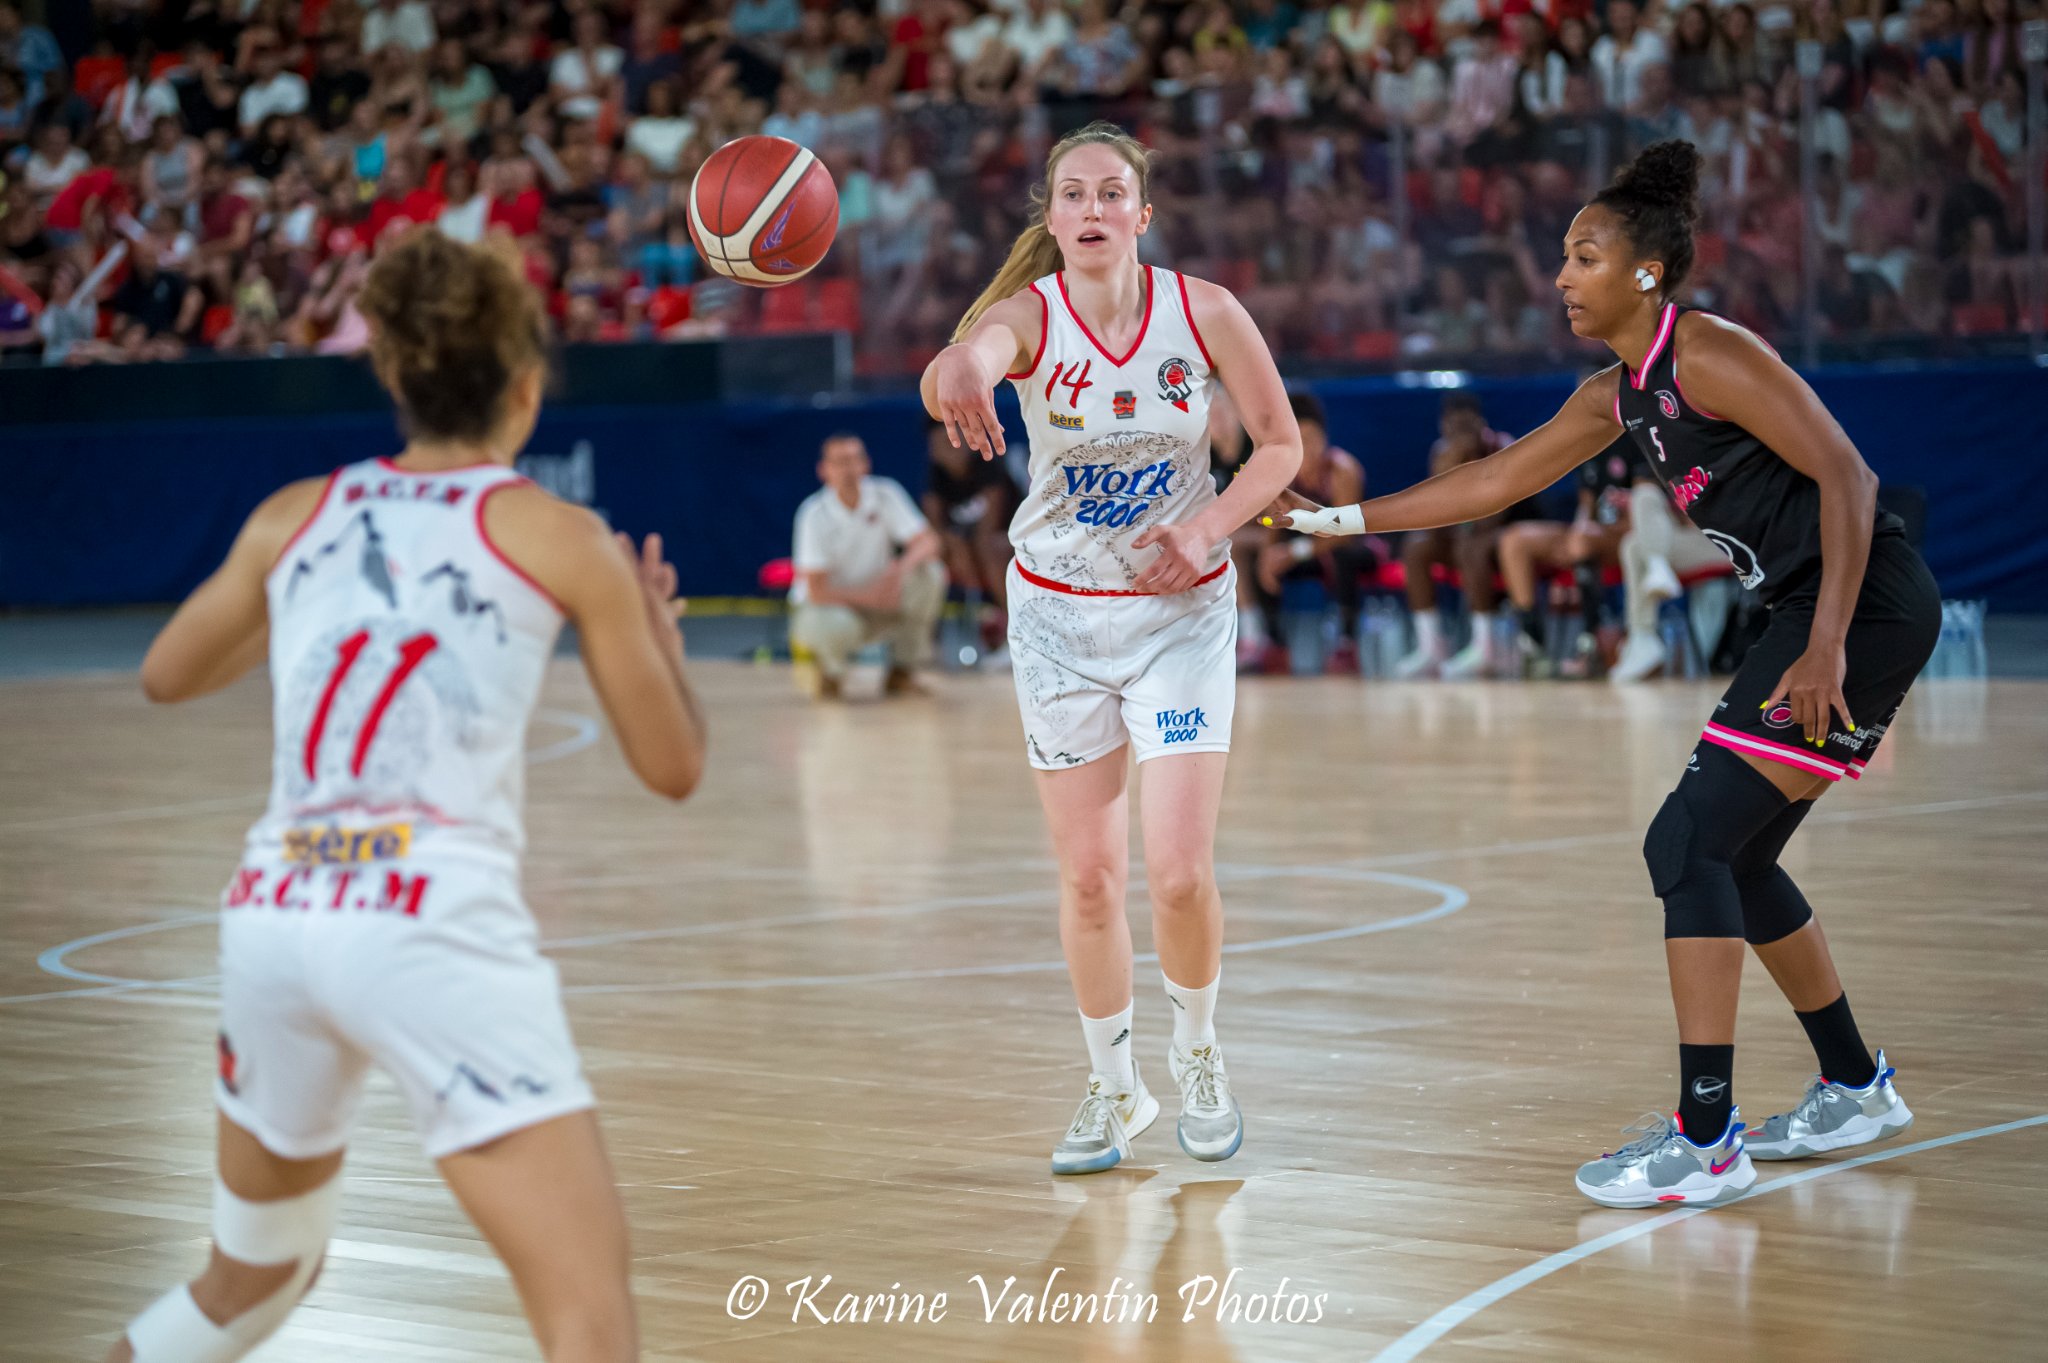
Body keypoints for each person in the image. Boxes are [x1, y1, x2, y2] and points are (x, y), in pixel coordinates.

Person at [1267, 140, 1936, 1208]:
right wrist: (1334, 520)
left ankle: (1706, 1136)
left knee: (1684, 842)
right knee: (1737, 858)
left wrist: (1825, 645)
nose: (1559, 276)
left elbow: (1848, 477)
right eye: (1561, 257)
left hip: (1854, 609)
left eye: (1582, 255)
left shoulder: (1706, 352)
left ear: (1643, 273)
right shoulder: (1618, 393)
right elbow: (1491, 480)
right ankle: (1854, 1085)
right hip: (1812, 611)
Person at [115, 230, 707, 1362]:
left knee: (251, 1277)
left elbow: (165, 673)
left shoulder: (295, 515)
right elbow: (673, 767)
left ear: (391, 372)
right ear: (526, 389)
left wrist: (310, 610)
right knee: (587, 1313)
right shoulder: (563, 537)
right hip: (422, 919)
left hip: (274, 915)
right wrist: (658, 638)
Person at [922, 123, 1303, 1175]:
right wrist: (956, 363)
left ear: (1142, 213)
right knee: (1089, 878)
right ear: (1051, 218)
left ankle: (1198, 1053)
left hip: (1178, 613)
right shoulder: (1026, 317)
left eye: (1111, 193)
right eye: (1072, 195)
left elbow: (1281, 447)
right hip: (1054, 622)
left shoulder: (1206, 312)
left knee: (1176, 873)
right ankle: (1111, 1084)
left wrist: (1208, 526)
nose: (1091, 210)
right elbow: (970, 360)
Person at [789, 431, 947, 699]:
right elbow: (816, 590)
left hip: (882, 598)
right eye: (839, 462)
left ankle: (902, 672)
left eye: (854, 460)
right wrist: (870, 597)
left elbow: (929, 542)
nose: (848, 469)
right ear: (823, 470)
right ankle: (830, 674)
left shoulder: (886, 494)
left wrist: (899, 570)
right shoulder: (813, 513)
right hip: (834, 608)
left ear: (866, 464)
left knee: (930, 575)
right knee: (831, 624)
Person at [1392, 393, 1533, 679]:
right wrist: (1451, 461)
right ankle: (1430, 646)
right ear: (1443, 427)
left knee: (1471, 546)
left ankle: (1486, 647)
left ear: (1481, 424)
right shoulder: (1441, 452)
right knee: (1417, 546)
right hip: (1465, 537)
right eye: (1453, 428)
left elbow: (1494, 516)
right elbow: (1435, 509)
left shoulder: (1502, 447)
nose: (1460, 435)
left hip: (1505, 536)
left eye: (1466, 427)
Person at [1246, 390, 1379, 676]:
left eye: (1313, 439)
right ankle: (1274, 642)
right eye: (1301, 440)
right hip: (1309, 551)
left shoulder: (1342, 469)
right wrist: (1267, 558)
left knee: (1345, 555)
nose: (1309, 447)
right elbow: (1272, 524)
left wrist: (1295, 552)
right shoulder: (1283, 474)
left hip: (1353, 545)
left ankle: (1347, 642)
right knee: (1266, 557)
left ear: (1325, 439)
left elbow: (1347, 530)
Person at [1494, 437, 1637, 678]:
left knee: (1582, 539)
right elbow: (1586, 506)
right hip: (1591, 535)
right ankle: (1532, 642)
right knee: (1514, 540)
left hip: (1629, 538)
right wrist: (1579, 532)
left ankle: (1591, 642)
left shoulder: (1641, 437)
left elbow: (1646, 510)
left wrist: (1586, 533)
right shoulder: (1590, 442)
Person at [921, 416, 1021, 667]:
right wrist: (952, 545)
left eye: (949, 440)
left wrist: (962, 549)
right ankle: (931, 640)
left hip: (1008, 547)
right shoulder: (936, 477)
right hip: (967, 553)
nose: (942, 448)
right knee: (930, 552)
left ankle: (1015, 634)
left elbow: (987, 530)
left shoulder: (988, 467)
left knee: (992, 548)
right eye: (936, 442)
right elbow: (933, 528)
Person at [1613, 471, 1727, 681]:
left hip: (1726, 542)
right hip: (1688, 539)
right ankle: (1657, 567)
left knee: (1635, 546)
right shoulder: (1668, 464)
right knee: (1634, 539)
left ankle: (1642, 634)